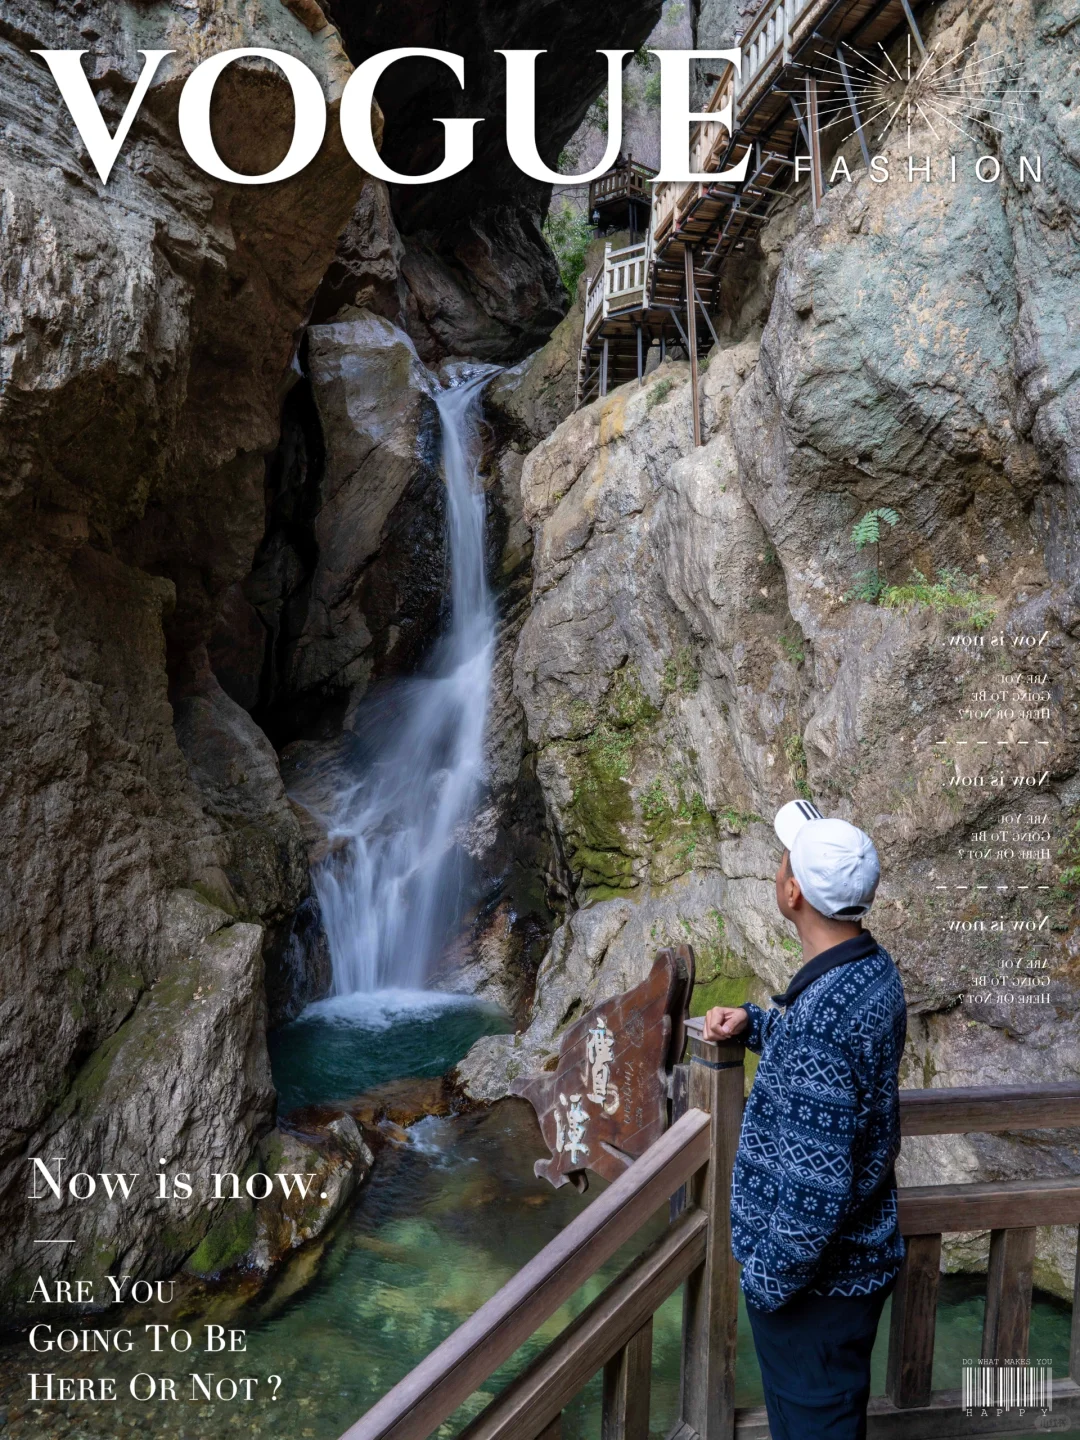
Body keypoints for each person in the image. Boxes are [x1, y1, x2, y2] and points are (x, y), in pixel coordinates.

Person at [704, 798, 907, 1440]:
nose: (777, 864)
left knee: (814, 1427)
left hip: (814, 1290)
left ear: (791, 890)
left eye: (783, 858)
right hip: (856, 1265)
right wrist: (758, 1023)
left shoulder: (824, 1019)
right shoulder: (871, 973)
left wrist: (765, 1282)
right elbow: (835, 1066)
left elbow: (815, 1192)